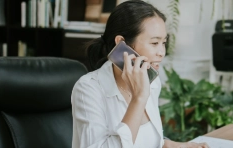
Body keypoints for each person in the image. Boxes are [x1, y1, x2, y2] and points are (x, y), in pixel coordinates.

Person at [71, 0, 209, 148]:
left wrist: (174, 145)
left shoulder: (152, 81)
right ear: (121, 43)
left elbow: (147, 140)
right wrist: (139, 98)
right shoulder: (88, 89)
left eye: (163, 42)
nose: (162, 52)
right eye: (154, 43)